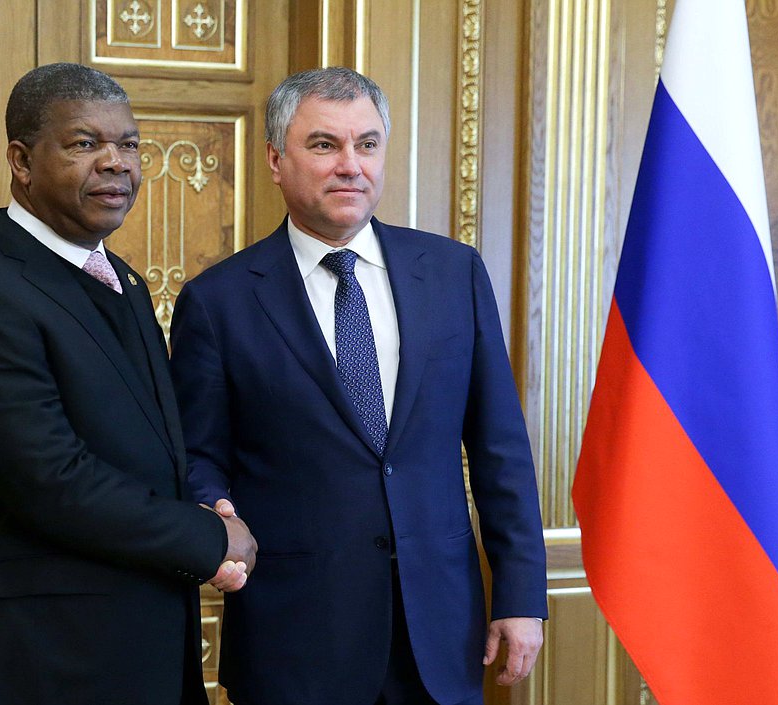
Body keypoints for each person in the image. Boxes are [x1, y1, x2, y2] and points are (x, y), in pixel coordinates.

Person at [169, 67, 547, 705]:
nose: (350, 165)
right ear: (275, 159)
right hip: (295, 637)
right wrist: (216, 511)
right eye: (324, 145)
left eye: (366, 145)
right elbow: (198, 454)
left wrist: (520, 595)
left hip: (440, 630)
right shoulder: (218, 301)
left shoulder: (453, 272)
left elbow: (499, 448)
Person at [0, 63, 256, 705]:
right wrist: (207, 537)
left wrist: (212, 505)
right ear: (21, 161)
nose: (115, 163)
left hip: (146, 646)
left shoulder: (121, 279)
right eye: (84, 144)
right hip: (47, 659)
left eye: (128, 144)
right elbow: (51, 481)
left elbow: (150, 447)